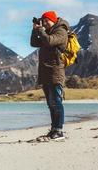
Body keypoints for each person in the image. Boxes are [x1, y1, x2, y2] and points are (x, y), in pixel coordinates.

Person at [30, 11, 69, 140]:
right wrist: (35, 30)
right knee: (50, 103)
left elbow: (49, 41)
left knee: (57, 102)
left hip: (56, 71)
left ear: (53, 20)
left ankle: (59, 131)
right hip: (46, 72)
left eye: (47, 21)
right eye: (43, 21)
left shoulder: (61, 30)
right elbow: (34, 43)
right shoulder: (46, 31)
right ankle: (54, 129)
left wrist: (41, 30)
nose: (45, 23)